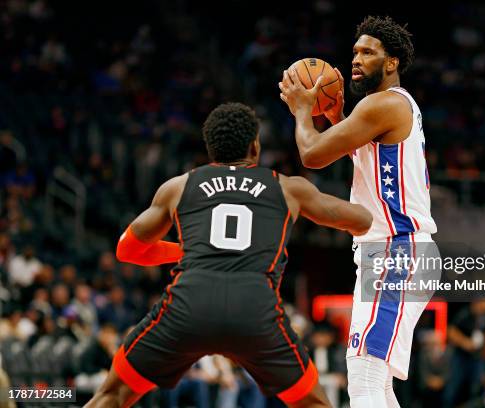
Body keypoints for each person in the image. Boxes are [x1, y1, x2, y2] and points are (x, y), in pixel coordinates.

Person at [85, 102, 372, 408]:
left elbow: (127, 250)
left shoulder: (178, 187)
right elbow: (361, 220)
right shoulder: (289, 188)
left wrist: (184, 252)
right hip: (255, 311)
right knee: (313, 403)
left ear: (211, 150)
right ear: (255, 146)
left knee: (112, 396)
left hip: (189, 306)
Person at [279, 15, 437, 407]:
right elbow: (359, 151)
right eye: (354, 51)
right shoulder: (382, 108)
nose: (356, 58)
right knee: (377, 384)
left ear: (392, 62)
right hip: (393, 253)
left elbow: (312, 155)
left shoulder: (382, 104)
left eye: (368, 52)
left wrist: (302, 110)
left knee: (364, 376)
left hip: (399, 251)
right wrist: (335, 120)